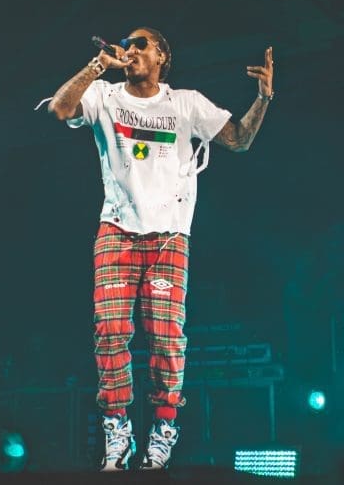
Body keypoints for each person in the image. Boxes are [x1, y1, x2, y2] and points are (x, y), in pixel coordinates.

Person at [47, 26, 274, 471]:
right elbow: (60, 108)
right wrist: (97, 66)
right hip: (117, 229)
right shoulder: (105, 95)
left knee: (167, 338)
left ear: (162, 57)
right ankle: (117, 428)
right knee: (110, 331)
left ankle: (164, 428)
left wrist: (264, 98)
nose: (130, 50)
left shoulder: (185, 103)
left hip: (169, 235)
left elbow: (240, 139)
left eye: (141, 44)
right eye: (127, 45)